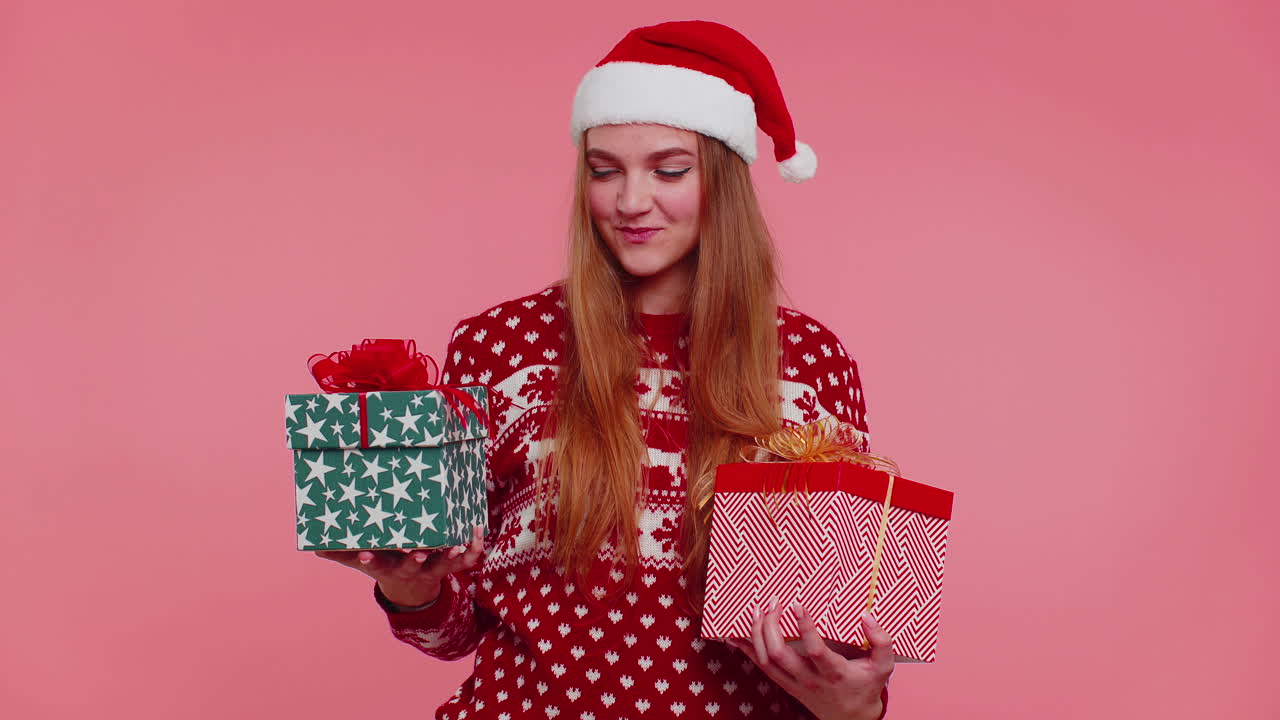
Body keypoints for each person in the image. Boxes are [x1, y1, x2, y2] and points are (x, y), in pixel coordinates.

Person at [318, 20, 894, 720]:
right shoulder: (501, 346)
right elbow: (455, 631)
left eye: (669, 169)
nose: (629, 202)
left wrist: (857, 707)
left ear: (722, 179)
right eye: (605, 169)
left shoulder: (811, 363)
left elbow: (843, 643)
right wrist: (413, 588)